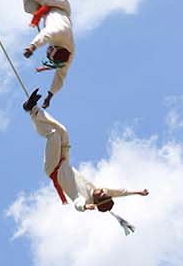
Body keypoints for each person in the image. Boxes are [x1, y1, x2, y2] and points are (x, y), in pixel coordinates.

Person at [24, 90, 146, 233]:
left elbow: (77, 204)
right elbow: (119, 192)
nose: (101, 190)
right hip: (64, 160)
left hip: (54, 168)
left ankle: (32, 111)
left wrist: (85, 207)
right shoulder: (100, 191)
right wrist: (137, 192)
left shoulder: (85, 199)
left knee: (53, 135)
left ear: (97, 200)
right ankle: (33, 107)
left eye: (101, 194)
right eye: (104, 192)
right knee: (63, 131)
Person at [11, 0, 74, 107]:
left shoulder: (68, 54)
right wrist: (32, 47)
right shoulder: (58, 33)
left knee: (28, 6)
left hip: (46, 9)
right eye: (49, 51)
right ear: (55, 49)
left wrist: (50, 96)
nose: (48, 50)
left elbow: (60, 77)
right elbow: (45, 35)